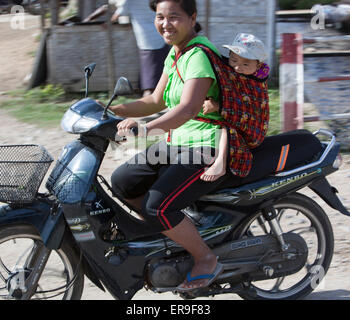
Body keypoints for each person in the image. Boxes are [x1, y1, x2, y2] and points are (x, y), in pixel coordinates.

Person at [108, 0, 228, 291]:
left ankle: (205, 257)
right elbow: (154, 101)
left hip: (204, 146)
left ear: (192, 18)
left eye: (174, 17)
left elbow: (188, 108)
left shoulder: (198, 54)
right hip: (177, 142)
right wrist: (110, 110)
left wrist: (146, 129)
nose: (165, 23)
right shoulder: (176, 54)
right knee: (123, 180)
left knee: (157, 206)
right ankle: (172, 235)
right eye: (160, 17)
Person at [200, 33, 269, 182]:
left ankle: (220, 163)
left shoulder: (255, 83)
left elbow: (247, 109)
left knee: (226, 127)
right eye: (234, 60)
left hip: (252, 128)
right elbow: (218, 64)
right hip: (231, 121)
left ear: (258, 65)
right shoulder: (231, 71)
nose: (238, 67)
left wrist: (218, 106)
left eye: (245, 64)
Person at [84, 0, 170, 97]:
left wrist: (109, 22)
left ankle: (149, 102)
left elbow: (121, 10)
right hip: (156, 36)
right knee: (154, 74)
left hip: (149, 38)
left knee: (151, 82)